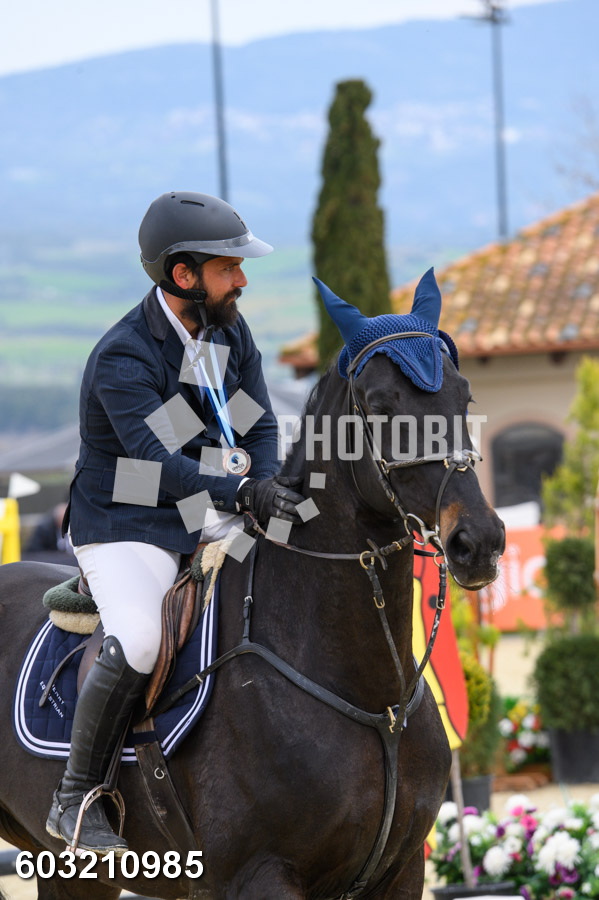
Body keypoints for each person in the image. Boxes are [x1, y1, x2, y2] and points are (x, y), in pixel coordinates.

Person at [46, 191, 306, 854]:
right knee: (139, 638)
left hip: (201, 504)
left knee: (298, 559)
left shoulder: (226, 332)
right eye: (228, 268)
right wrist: (245, 489)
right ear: (182, 274)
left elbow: (259, 425)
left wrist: (265, 487)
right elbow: (158, 464)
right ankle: (74, 800)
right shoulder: (125, 357)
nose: (241, 280)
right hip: (126, 518)